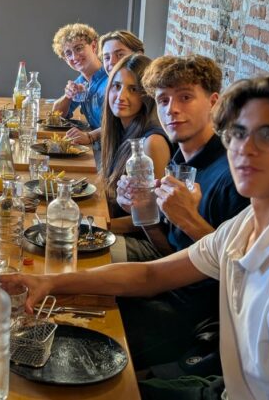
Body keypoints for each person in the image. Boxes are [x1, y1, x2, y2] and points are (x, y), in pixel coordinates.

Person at [6, 74, 269, 400]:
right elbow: (152, 275)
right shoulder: (246, 224)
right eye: (238, 133)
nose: (245, 149)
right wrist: (47, 282)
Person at [112, 55, 250, 371]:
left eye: (185, 97)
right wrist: (143, 214)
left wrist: (189, 219)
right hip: (165, 288)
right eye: (163, 100)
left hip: (199, 319)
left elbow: (243, 277)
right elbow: (169, 251)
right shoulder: (180, 161)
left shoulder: (233, 176)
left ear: (213, 102)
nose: (172, 109)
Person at [99, 54, 171, 223]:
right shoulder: (119, 130)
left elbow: (153, 217)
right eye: (117, 86)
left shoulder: (152, 142)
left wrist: (101, 226)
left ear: (147, 95)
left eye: (133, 89)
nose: (120, 96)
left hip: (137, 236)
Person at [51, 23, 108, 151]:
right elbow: (56, 115)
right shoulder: (81, 81)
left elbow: (120, 123)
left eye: (79, 48)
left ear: (94, 46)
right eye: (68, 53)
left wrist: (90, 136)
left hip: (118, 149)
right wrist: (68, 96)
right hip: (97, 148)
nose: (74, 57)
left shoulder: (111, 79)